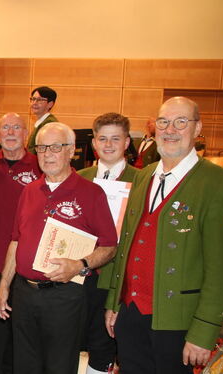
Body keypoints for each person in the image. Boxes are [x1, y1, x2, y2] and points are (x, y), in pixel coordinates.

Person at [105, 97, 223, 373]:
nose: (170, 129)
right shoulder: (143, 176)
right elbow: (127, 245)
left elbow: (222, 269)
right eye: (163, 122)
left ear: (197, 128)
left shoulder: (219, 184)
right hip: (131, 314)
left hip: (179, 322)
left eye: (180, 122)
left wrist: (204, 332)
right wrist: (114, 303)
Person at [0, 122, 118, 374]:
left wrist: (79, 265)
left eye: (55, 147)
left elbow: (109, 246)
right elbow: (15, 241)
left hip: (65, 295)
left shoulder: (91, 193)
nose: (47, 154)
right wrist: (4, 286)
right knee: (24, 364)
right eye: (41, 148)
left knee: (59, 366)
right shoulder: (29, 191)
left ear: (71, 150)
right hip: (24, 293)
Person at [0, 113, 41, 374]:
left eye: (17, 127)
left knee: (18, 325)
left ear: (26, 134)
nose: (11, 132)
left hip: (24, 261)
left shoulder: (39, 166)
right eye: (5, 128)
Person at [76, 112, 138, 374]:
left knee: (105, 345)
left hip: (118, 278)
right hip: (81, 272)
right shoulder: (79, 177)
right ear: (94, 143)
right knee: (74, 340)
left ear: (126, 143)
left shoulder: (143, 179)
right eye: (103, 138)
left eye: (116, 138)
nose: (109, 144)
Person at [27, 86, 58, 154]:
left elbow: (43, 150)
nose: (34, 103)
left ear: (50, 104)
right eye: (33, 99)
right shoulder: (42, 122)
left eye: (40, 100)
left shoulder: (50, 124)